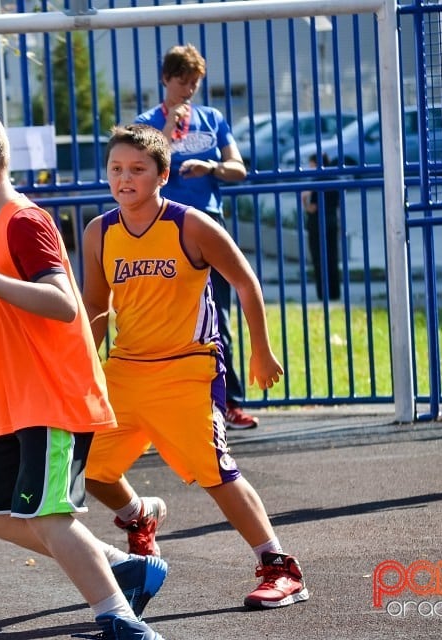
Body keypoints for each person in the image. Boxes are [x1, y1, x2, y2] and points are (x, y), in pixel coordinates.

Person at [0, 107, 167, 639]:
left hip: (54, 397)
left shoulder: (24, 220)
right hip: (19, 403)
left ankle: (119, 618)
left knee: (48, 517)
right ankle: (124, 566)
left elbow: (64, 303)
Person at [81, 124, 308, 609]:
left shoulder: (191, 225)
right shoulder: (98, 232)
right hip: (126, 369)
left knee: (214, 470)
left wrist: (261, 351)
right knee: (89, 470)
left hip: (188, 367)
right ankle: (139, 516)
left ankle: (280, 566)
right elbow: (96, 307)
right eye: (116, 169)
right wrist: (83, 368)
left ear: (162, 175)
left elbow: (246, 283)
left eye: (137, 170)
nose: (125, 179)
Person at [135, 43, 257, 430]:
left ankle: (229, 402)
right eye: (182, 82)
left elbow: (238, 168)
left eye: (194, 83)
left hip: (209, 221)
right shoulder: (146, 121)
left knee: (217, 312)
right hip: (165, 224)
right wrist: (167, 129)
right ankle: (163, 405)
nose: (188, 90)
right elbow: (141, 165)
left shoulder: (213, 117)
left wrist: (213, 167)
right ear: (165, 79)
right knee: (164, 313)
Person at [301, 152, 341, 301]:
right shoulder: (334, 178)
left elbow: (304, 195)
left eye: (311, 164)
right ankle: (335, 293)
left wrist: (307, 207)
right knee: (333, 257)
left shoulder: (316, 179)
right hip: (331, 220)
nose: (310, 167)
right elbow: (338, 204)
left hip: (317, 222)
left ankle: (323, 294)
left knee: (319, 259)